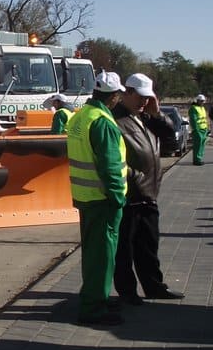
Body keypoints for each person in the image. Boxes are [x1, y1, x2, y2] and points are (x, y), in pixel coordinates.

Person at [112, 73, 184, 305]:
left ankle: (154, 285)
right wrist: (136, 178)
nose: (144, 102)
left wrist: (158, 114)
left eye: (147, 98)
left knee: (148, 245)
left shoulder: (145, 118)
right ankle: (127, 292)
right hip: (131, 194)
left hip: (148, 193)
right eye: (140, 97)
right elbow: (114, 159)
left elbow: (171, 140)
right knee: (125, 249)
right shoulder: (116, 120)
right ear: (127, 93)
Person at [67, 71, 127, 326]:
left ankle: (96, 297)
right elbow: (110, 165)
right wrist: (118, 197)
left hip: (86, 197)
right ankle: (93, 307)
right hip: (103, 199)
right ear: (113, 96)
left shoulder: (81, 116)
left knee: (93, 254)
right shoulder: (102, 122)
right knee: (102, 255)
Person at [188, 94, 209, 166]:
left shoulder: (202, 108)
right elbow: (193, 120)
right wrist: (195, 129)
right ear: (198, 100)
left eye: (203, 101)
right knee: (197, 145)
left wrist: (207, 128)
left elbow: (204, 119)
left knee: (202, 145)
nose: (203, 102)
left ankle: (199, 159)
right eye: (201, 101)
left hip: (203, 129)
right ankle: (196, 160)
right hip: (198, 130)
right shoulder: (193, 108)